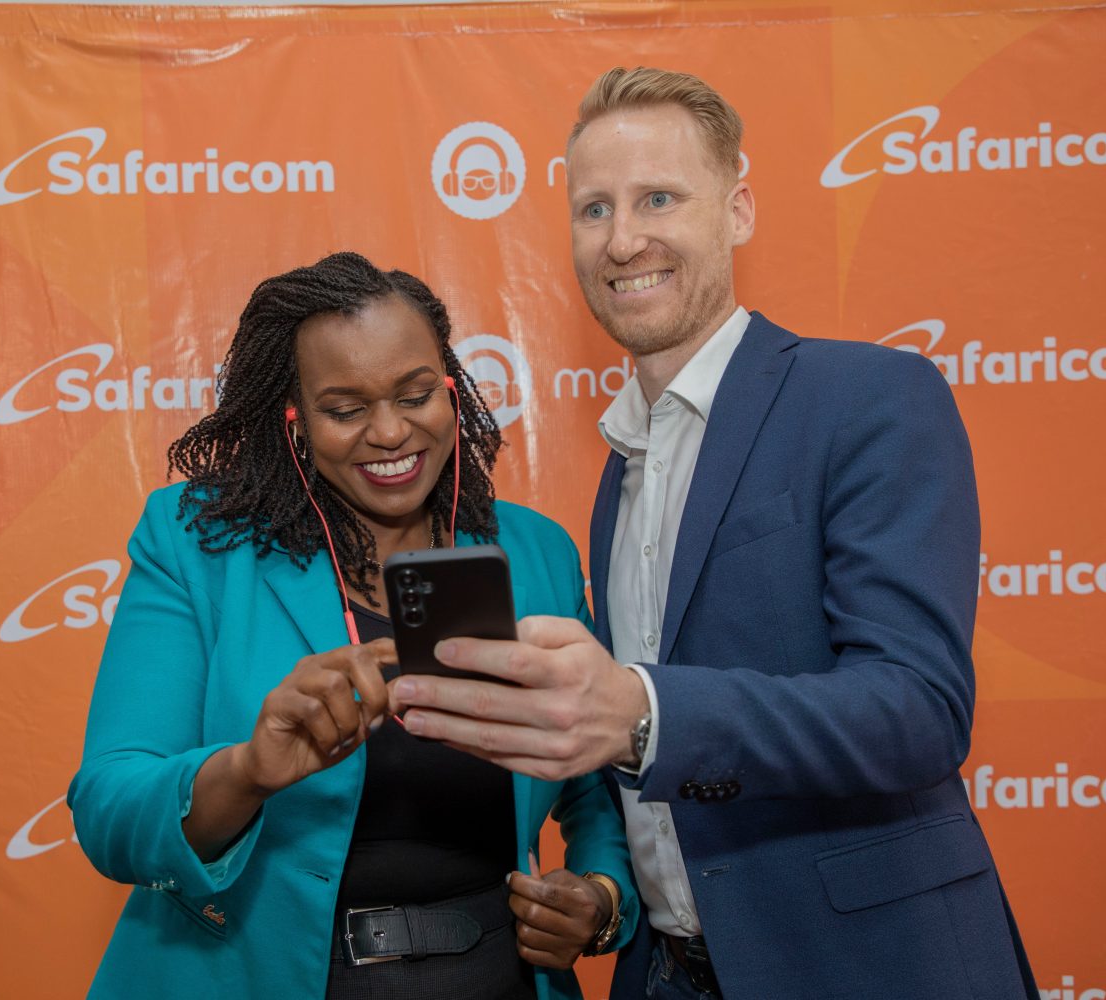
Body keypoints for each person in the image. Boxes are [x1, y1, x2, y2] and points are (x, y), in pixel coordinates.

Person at [388, 69, 1043, 999]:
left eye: (659, 198)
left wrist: (642, 713)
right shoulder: (621, 474)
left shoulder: (867, 398)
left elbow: (919, 709)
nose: (623, 240)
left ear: (737, 211)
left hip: (867, 970)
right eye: (594, 209)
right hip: (671, 974)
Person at [67, 252, 638, 1000]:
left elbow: (596, 781)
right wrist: (246, 772)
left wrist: (601, 896)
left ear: (452, 391)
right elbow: (109, 806)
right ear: (294, 418)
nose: (391, 431)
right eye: (345, 410)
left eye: (417, 395)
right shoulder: (197, 543)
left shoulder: (535, 553)